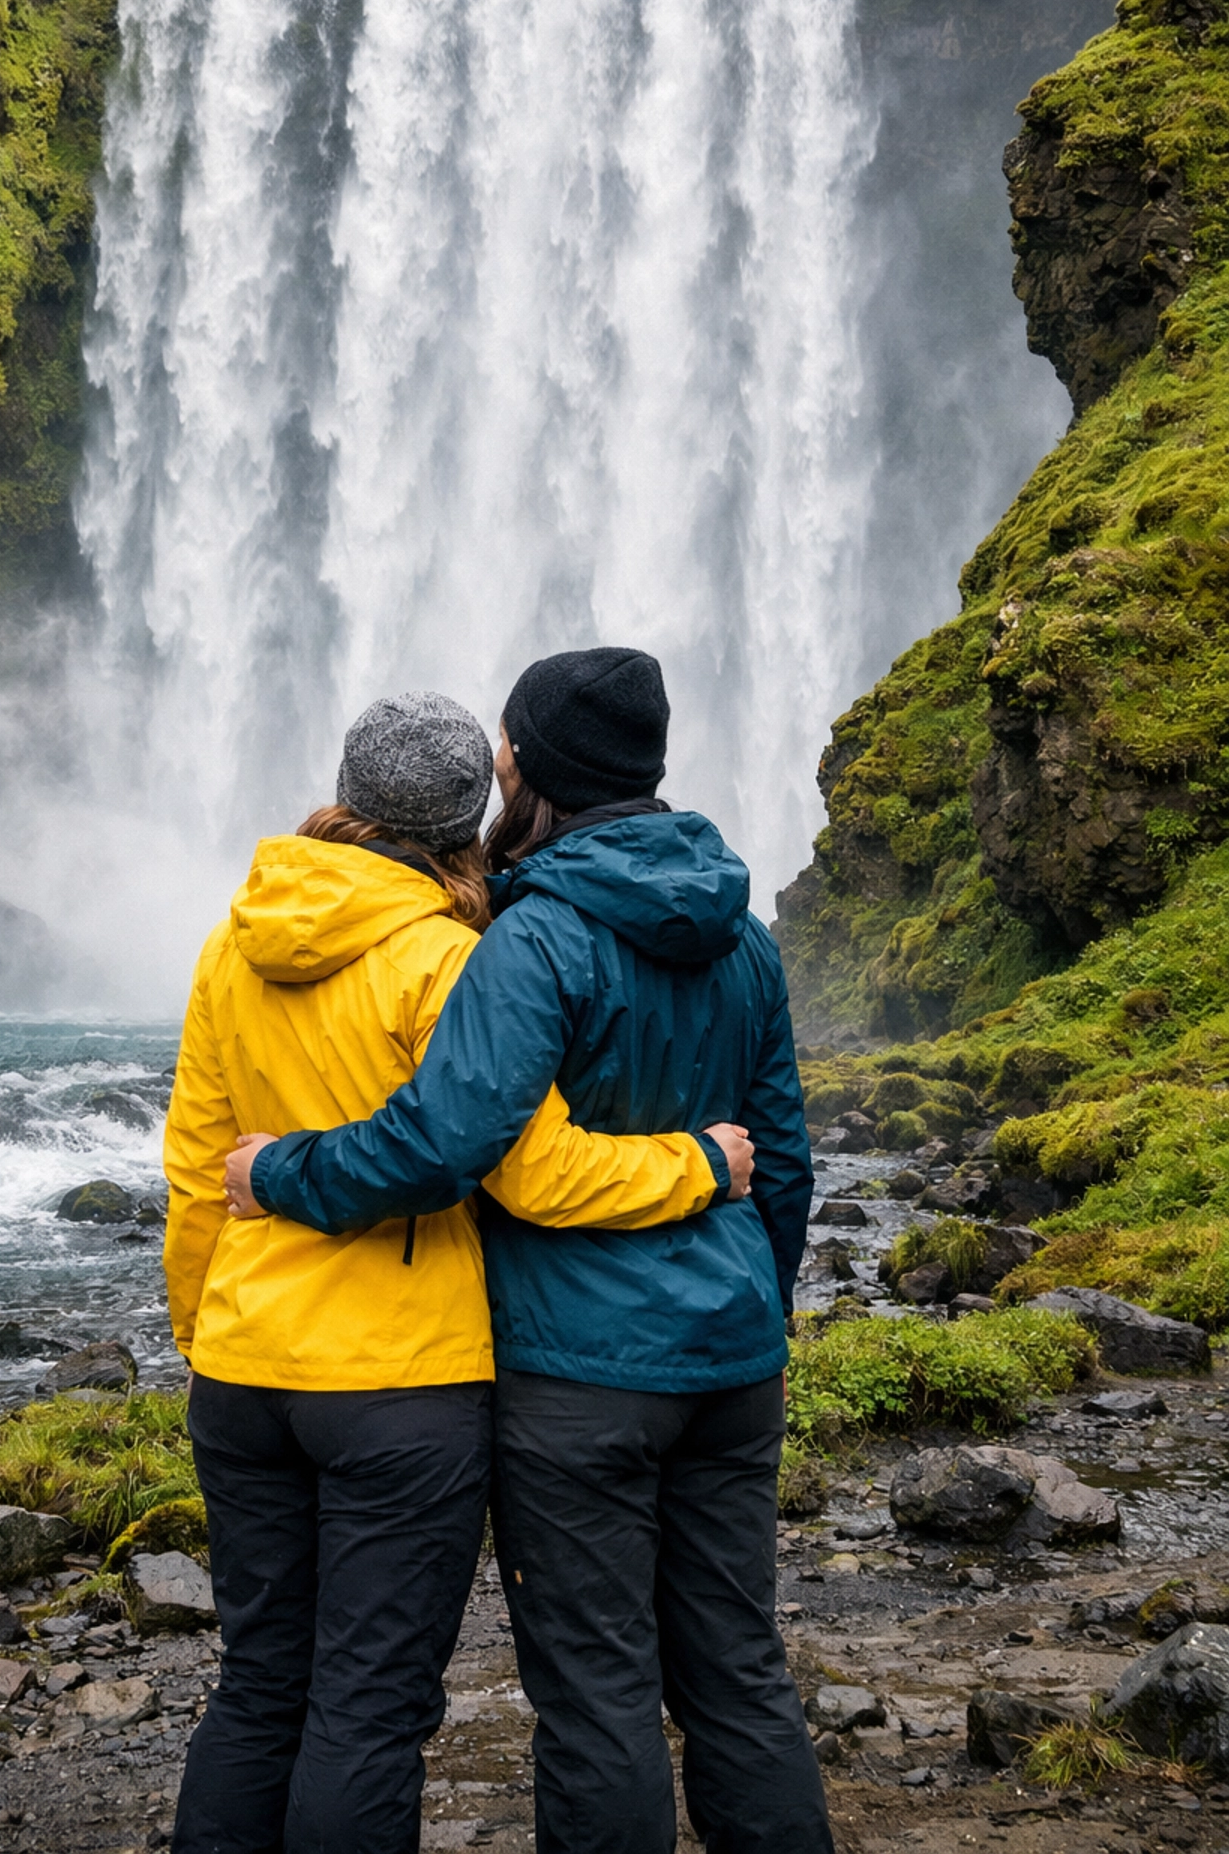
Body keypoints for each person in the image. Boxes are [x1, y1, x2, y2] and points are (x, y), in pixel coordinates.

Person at [228, 648, 832, 1854]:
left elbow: (440, 1147)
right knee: (738, 1673)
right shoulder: (743, 934)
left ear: (533, 763)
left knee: (600, 1696)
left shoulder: (534, 937)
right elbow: (787, 1157)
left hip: (577, 1378)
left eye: (509, 742)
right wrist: (754, 1304)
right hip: (732, 1357)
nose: (499, 760)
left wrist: (277, 1171)